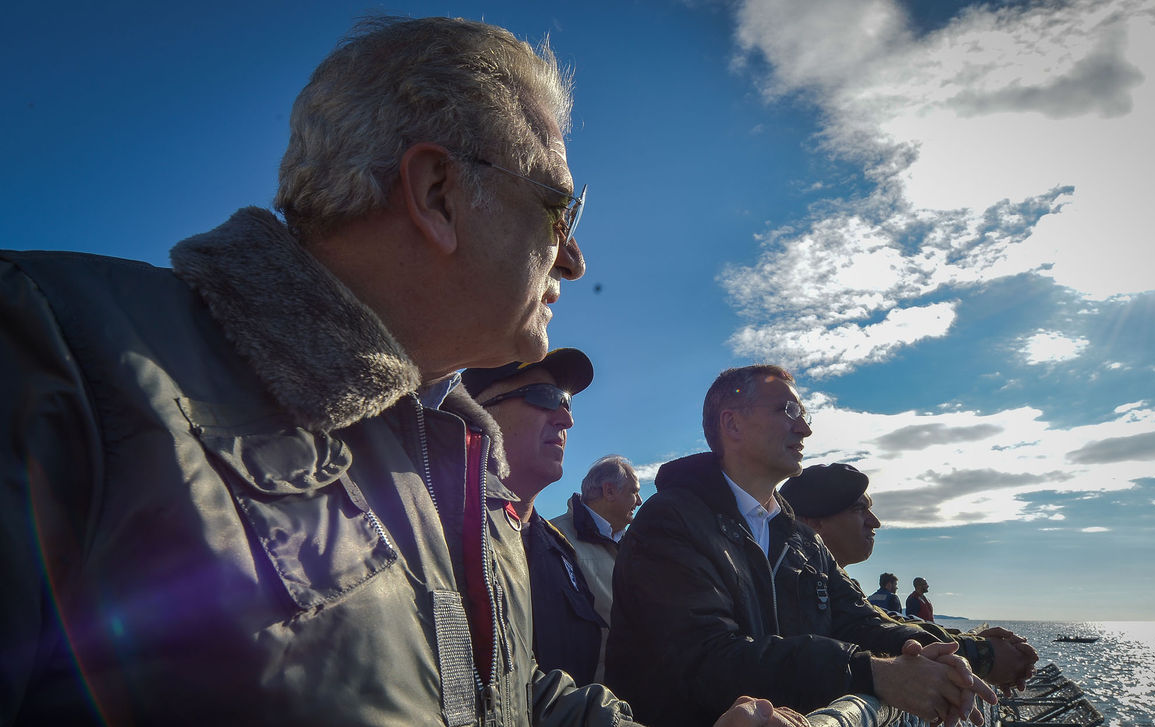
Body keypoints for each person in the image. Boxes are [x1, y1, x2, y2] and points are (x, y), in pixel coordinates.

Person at [1, 17, 798, 727]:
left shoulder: (468, 473)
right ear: (438, 193)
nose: (577, 257)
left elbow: (501, 696)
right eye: (560, 209)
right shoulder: (47, 343)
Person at [606, 365, 996, 727]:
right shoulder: (669, 522)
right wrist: (869, 673)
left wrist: (945, 658)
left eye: (804, 414)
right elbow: (705, 659)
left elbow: (860, 621)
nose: (804, 430)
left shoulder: (801, 539)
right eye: (788, 410)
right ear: (733, 423)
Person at [780, 463, 1037, 694]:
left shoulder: (832, 583)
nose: (875, 522)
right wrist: (983, 655)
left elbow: (889, 622)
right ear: (812, 523)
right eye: (859, 509)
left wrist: (974, 645)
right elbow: (871, 633)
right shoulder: (792, 583)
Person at [462, 348, 608, 686]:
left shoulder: (563, 554)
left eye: (566, 402)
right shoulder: (437, 536)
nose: (566, 419)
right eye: (545, 397)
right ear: (479, 413)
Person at [550, 454, 642, 629]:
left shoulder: (635, 545)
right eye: (634, 492)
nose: (639, 501)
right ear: (609, 491)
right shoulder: (555, 536)